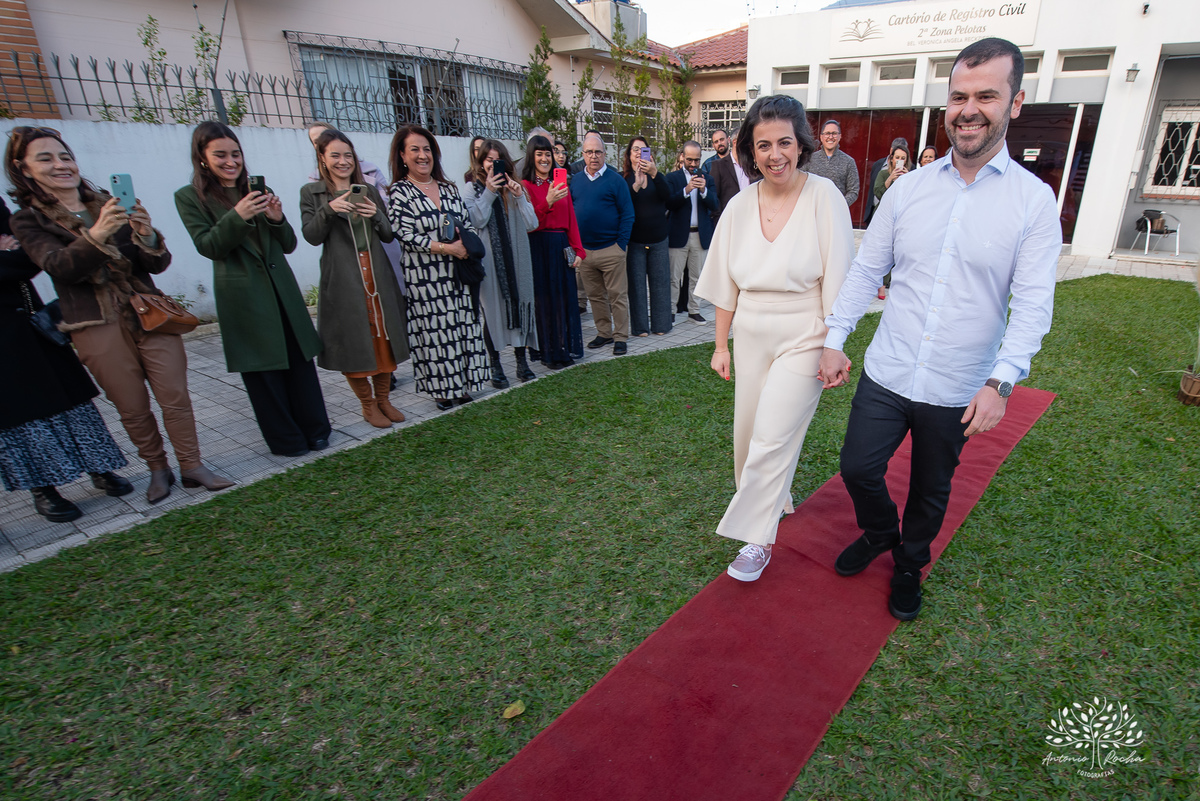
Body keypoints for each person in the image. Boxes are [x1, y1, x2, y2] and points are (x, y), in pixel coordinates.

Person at [818, 38, 1060, 621]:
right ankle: (879, 532)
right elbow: (865, 270)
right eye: (958, 96)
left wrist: (1001, 383)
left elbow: (1031, 306)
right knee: (857, 467)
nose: (969, 109)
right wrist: (834, 339)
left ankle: (908, 565)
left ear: (1015, 103)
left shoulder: (1033, 202)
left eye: (986, 96)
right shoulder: (907, 190)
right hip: (889, 367)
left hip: (958, 383)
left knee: (930, 490)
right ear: (945, 104)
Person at [8, 126, 235, 504]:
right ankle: (157, 470)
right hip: (95, 322)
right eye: (45, 158)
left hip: (149, 313)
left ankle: (193, 466)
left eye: (65, 156)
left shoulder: (108, 202)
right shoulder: (29, 221)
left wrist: (146, 236)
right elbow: (61, 266)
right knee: (131, 404)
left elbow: (156, 264)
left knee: (174, 394)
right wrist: (96, 236)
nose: (61, 164)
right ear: (24, 169)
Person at [694, 95, 853, 582]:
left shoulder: (824, 196)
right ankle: (775, 496)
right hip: (750, 332)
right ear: (750, 150)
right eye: (763, 145)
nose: (774, 154)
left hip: (805, 329)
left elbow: (839, 277)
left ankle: (755, 540)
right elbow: (725, 282)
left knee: (772, 434)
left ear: (801, 144)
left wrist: (834, 344)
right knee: (747, 436)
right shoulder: (740, 206)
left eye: (784, 142)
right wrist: (721, 345)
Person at [175, 121, 332, 458]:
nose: (230, 161)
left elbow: (288, 244)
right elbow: (208, 245)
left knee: (299, 364)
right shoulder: (189, 198)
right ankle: (286, 440)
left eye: (235, 153)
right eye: (220, 155)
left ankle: (317, 430)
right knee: (264, 373)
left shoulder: (256, 189)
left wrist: (276, 218)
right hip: (244, 297)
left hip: (282, 292)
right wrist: (238, 215)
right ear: (202, 158)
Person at [0, 195, 132, 521]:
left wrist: (10, 255)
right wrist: (7, 255)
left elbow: (32, 258)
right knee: (20, 415)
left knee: (71, 399)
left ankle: (99, 468)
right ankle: (43, 490)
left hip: (29, 322)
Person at [300, 128, 410, 428]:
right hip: (344, 280)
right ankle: (367, 404)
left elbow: (388, 234)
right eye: (335, 155)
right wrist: (329, 210)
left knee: (382, 339)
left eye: (347, 155)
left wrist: (376, 213)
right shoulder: (312, 193)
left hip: (376, 275)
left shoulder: (369, 189)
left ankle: (384, 399)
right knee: (354, 343)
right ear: (322, 158)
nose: (342, 161)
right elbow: (311, 236)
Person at [388, 124, 489, 411]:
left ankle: (465, 385)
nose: (423, 155)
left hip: (458, 273)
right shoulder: (400, 192)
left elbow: (466, 224)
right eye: (415, 150)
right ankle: (444, 391)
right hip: (426, 278)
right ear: (402, 156)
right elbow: (404, 233)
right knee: (436, 333)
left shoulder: (448, 188)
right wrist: (446, 248)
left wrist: (464, 245)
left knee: (462, 326)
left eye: (427, 149)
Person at [463, 138, 540, 384]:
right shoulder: (471, 189)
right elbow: (476, 220)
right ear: (480, 162)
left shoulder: (515, 188)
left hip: (517, 260)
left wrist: (518, 197)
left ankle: (521, 362)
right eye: (488, 159)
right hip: (490, 264)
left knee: (519, 306)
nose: (493, 164)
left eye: (498, 160)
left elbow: (532, 223)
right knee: (493, 313)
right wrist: (489, 191)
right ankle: (495, 365)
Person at [522, 134, 585, 369]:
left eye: (548, 154)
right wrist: (547, 202)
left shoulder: (560, 184)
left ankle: (563, 347)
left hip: (561, 245)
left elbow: (571, 219)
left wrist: (578, 250)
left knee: (564, 299)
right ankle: (548, 352)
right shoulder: (525, 186)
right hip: (538, 246)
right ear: (532, 157)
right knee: (545, 301)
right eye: (539, 154)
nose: (545, 158)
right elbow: (528, 223)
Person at [570, 132, 634, 356]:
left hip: (611, 249)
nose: (593, 156)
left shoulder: (615, 180)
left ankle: (621, 337)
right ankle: (604, 333)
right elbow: (570, 212)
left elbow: (628, 214)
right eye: (589, 152)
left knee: (617, 295)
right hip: (585, 251)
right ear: (583, 155)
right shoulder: (576, 180)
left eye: (598, 152)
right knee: (595, 296)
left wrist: (620, 245)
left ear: (605, 154)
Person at [622, 136, 675, 337]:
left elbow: (667, 196)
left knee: (660, 284)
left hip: (659, 239)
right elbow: (624, 204)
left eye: (642, 150)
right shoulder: (624, 179)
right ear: (629, 155)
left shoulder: (657, 176)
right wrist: (635, 186)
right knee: (636, 287)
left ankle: (661, 325)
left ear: (649, 154)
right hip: (635, 241)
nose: (638, 153)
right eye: (635, 150)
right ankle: (640, 327)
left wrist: (654, 173)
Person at [666, 140, 718, 325]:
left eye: (696, 160)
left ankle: (694, 310)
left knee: (697, 277)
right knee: (674, 277)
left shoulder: (708, 179)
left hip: (700, 235)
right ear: (682, 157)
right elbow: (669, 203)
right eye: (690, 159)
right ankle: (671, 311)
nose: (694, 164)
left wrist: (703, 190)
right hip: (678, 234)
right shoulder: (673, 178)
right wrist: (686, 190)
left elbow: (715, 205)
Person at [804, 120, 859, 207]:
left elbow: (853, 191)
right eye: (827, 133)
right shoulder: (809, 159)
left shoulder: (849, 162)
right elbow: (800, 184)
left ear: (840, 136)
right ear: (821, 137)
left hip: (836, 213)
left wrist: (839, 205)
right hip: (812, 210)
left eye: (834, 133)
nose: (830, 137)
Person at [708, 126, 757, 222]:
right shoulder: (718, 166)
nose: (750, 146)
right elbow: (714, 199)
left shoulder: (754, 165)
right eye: (746, 142)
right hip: (729, 222)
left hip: (752, 221)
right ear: (735, 142)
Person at [862, 137, 908, 229]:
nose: (900, 161)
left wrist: (908, 178)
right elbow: (877, 192)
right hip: (882, 215)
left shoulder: (911, 173)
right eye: (897, 157)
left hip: (902, 217)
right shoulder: (883, 172)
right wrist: (890, 178)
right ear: (891, 157)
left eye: (903, 158)